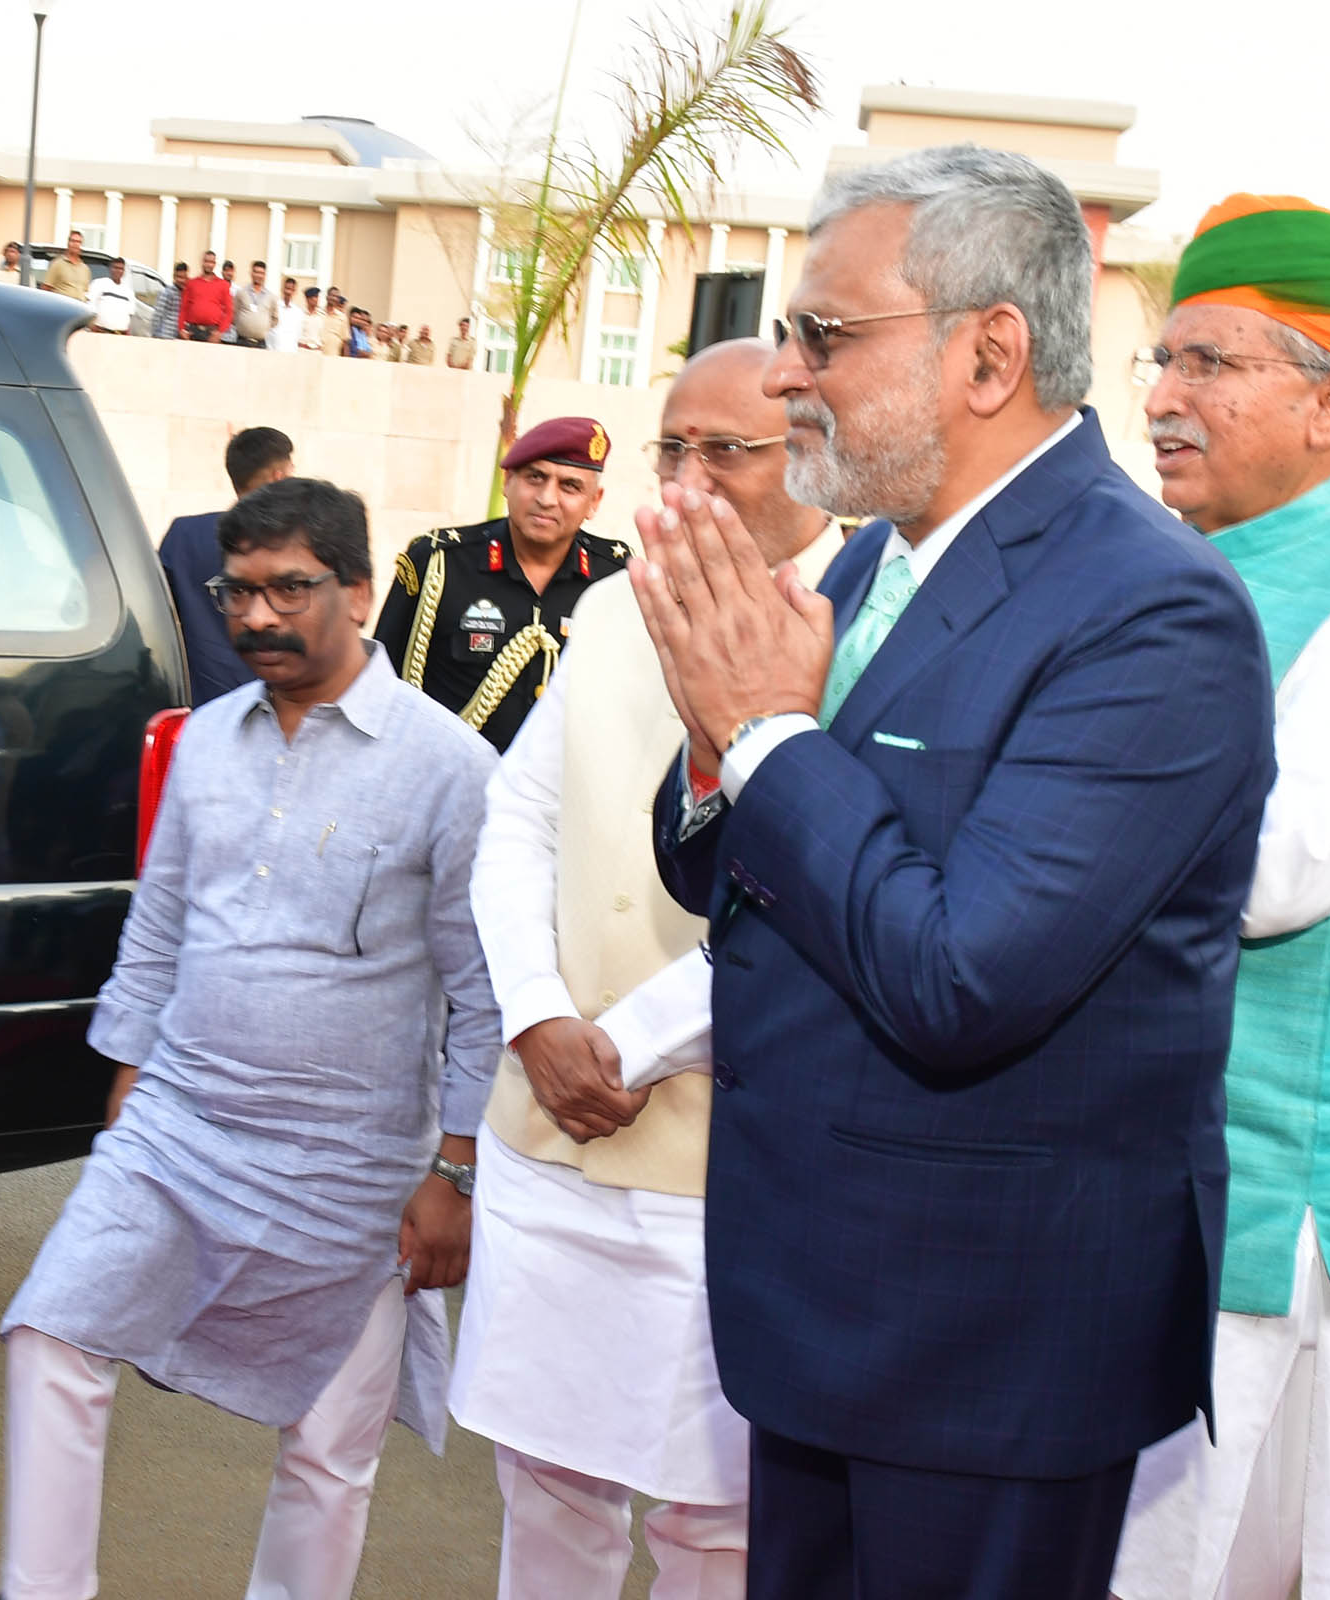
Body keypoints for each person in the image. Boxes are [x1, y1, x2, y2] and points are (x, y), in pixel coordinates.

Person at [635, 144, 1272, 1600]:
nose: (784, 376)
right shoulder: (878, 559)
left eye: (824, 335)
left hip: (989, 1340)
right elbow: (732, 872)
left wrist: (768, 735)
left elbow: (963, 979)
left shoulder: (1154, 612)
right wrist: (724, 750)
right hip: (818, 1299)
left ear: (990, 353)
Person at [0, 476, 498, 1600]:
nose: (258, 616)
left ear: (358, 592)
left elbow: (484, 993)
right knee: (51, 1331)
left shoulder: (452, 767)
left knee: (328, 1448)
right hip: (180, 1127)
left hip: (355, 1165)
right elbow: (160, 921)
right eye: (238, 592)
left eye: (288, 590)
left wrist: (455, 1171)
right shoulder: (207, 741)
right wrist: (129, 1080)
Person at [455, 339, 839, 1600]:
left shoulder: (855, 622)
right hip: (549, 1131)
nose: (685, 481)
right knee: (546, 1486)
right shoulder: (618, 603)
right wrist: (538, 1018)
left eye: (725, 451)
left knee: (715, 1521)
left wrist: (622, 1047)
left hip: (718, 1161)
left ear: (811, 453)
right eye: (672, 448)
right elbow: (521, 818)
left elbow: (821, 899)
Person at [1110, 195, 1330, 1600]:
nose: (1164, 397)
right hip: (1129, 1180)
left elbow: (1264, 879)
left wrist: (1046, 808)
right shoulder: (1187, 565)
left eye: (1211, 363)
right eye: (1166, 360)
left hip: (1249, 1210)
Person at [371, 416, 632, 753]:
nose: (547, 498)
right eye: (535, 477)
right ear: (507, 481)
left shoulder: (616, 578)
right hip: (451, 777)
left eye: (569, 486)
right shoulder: (440, 564)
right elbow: (383, 683)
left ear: (594, 501)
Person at [157, 426, 295, 705]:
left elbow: (157, 613)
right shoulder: (297, 544)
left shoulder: (184, 536)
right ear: (279, 478)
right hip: (277, 706)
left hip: (202, 707)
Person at [180, 250, 232, 343]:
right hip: (193, 331)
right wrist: (181, 329)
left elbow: (229, 312)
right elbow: (183, 308)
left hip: (212, 333)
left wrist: (220, 332)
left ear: (215, 264)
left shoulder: (223, 285)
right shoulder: (192, 283)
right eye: (206, 261)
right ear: (202, 262)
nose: (209, 265)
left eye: (211, 262)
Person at [234, 259, 279, 348]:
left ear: (265, 275)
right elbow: (234, 313)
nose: (258, 275)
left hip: (260, 343)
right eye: (256, 272)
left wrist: (262, 326)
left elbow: (275, 319)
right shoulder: (241, 292)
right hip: (242, 340)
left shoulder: (271, 296)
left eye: (261, 273)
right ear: (251, 273)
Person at [86, 255, 135, 335]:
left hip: (120, 334)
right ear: (110, 269)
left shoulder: (128, 291)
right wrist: (91, 324)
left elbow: (130, 313)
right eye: (115, 268)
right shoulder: (99, 283)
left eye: (121, 269)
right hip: (100, 331)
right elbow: (89, 304)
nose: (118, 271)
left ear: (124, 271)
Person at [42, 230, 92, 300]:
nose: (75, 244)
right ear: (68, 243)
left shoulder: (85, 269)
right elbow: (46, 289)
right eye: (73, 241)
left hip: (79, 305)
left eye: (78, 242)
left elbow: (86, 292)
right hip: (62, 305)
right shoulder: (57, 264)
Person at [149, 262, 187, 340]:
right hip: (163, 335)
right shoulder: (166, 293)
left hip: (175, 337)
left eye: (184, 277)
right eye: (179, 277)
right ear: (174, 277)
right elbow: (158, 314)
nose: (182, 280)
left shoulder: (183, 294)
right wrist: (154, 334)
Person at [296, 285, 327, 351]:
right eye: (314, 297)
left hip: (316, 350)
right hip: (303, 349)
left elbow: (323, 335)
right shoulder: (300, 314)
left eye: (317, 297)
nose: (316, 300)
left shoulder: (322, 316)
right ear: (308, 299)